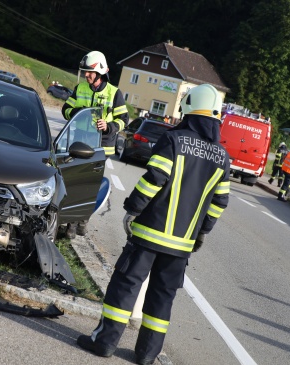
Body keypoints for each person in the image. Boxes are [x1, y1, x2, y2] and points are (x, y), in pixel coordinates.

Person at [76, 84, 230, 365]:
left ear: (189, 109)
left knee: (126, 285)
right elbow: (220, 202)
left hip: (149, 233)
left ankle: (105, 342)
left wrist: (132, 209)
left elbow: (154, 179)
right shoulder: (222, 156)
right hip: (182, 244)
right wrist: (203, 231)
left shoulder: (174, 140)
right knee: (163, 297)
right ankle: (147, 355)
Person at [61, 50, 129, 238]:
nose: (86, 75)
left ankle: (80, 222)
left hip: (101, 147)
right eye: (84, 72)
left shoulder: (114, 93)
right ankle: (71, 222)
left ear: (100, 71)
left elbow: (124, 119)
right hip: (79, 143)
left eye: (89, 72)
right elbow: (65, 109)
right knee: (75, 182)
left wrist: (109, 126)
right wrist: (77, 112)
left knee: (90, 185)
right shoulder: (81, 88)